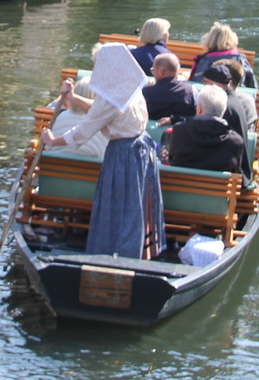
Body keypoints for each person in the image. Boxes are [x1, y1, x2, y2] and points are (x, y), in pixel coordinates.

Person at [40, 44, 165, 260]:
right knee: (131, 207)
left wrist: (53, 139)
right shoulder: (129, 86)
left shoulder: (112, 95)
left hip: (123, 153)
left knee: (120, 207)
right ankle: (129, 253)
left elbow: (84, 130)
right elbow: (100, 110)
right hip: (139, 148)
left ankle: (116, 256)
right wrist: (71, 97)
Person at [166, 82, 244, 174]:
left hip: (179, 187)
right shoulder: (235, 142)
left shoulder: (179, 131)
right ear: (223, 111)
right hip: (218, 188)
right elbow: (235, 172)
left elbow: (171, 161)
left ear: (199, 109)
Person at [201, 61, 257, 182]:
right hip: (231, 170)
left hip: (228, 177)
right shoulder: (232, 101)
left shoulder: (223, 105)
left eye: (206, 83)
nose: (204, 87)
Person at [189, 21, 254, 84]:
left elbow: (195, 82)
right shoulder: (241, 59)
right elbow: (252, 84)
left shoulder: (204, 60)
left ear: (210, 39)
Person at [142, 52, 195, 122]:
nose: (153, 73)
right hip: (181, 131)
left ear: (161, 71)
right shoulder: (190, 91)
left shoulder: (146, 93)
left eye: (153, 69)